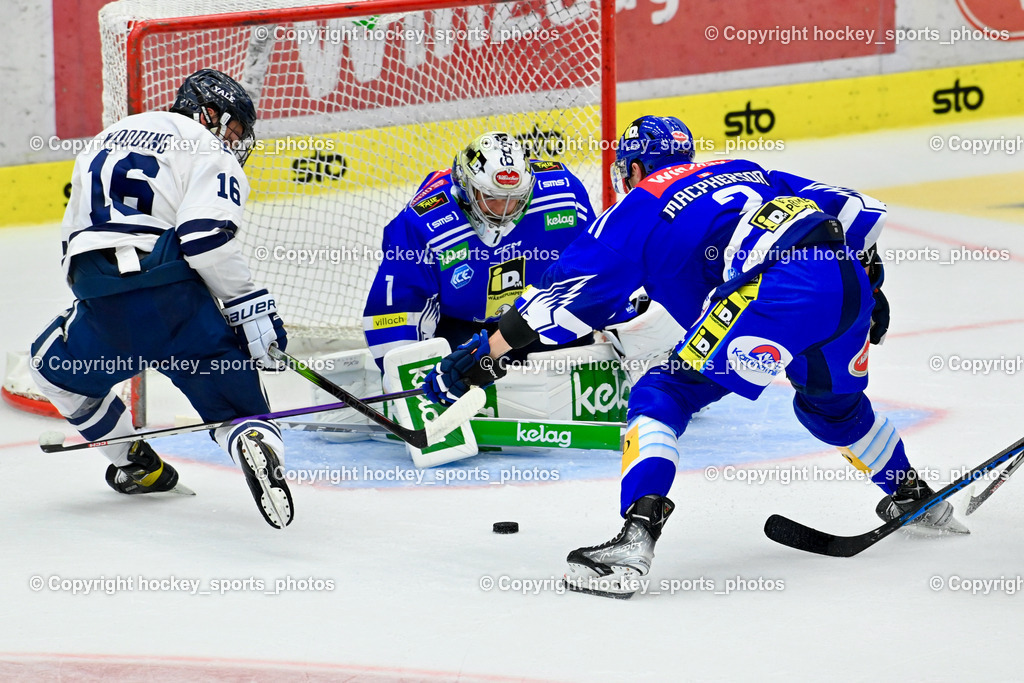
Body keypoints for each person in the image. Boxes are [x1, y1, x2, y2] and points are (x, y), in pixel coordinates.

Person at [421, 115, 968, 597]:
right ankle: (917, 497)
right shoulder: (744, 167)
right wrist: (873, 287)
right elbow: (857, 210)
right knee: (832, 408)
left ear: (632, 168)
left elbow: (555, 303)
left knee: (663, 391)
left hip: (772, 293)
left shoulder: (635, 209)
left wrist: (481, 357)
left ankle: (634, 540)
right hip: (844, 284)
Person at [29, 69, 293, 530]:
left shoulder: (104, 137)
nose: (233, 141)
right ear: (208, 113)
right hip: (170, 293)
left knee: (54, 372)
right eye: (232, 129)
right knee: (231, 394)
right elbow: (205, 238)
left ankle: (135, 463)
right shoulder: (209, 150)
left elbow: (76, 235)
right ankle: (249, 432)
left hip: (100, 296)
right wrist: (250, 310)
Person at [362, 131, 605, 370]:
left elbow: (597, 267)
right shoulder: (424, 221)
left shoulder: (564, 193)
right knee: (454, 382)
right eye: (492, 197)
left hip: (544, 317)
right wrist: (409, 376)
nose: (505, 210)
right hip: (464, 329)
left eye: (515, 198)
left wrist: (615, 324)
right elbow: (397, 310)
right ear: (466, 187)